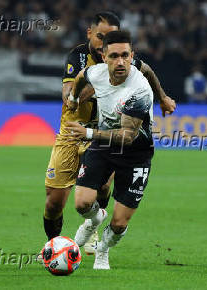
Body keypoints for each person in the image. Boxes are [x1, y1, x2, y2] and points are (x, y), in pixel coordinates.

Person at [42, 12, 176, 255]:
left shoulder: (123, 63)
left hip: (104, 133)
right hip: (73, 131)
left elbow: (147, 70)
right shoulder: (80, 57)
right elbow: (69, 93)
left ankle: (92, 229)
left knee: (102, 186)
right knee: (54, 201)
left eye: (109, 37)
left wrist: (163, 97)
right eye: (100, 37)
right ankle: (53, 246)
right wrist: (98, 87)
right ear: (90, 34)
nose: (103, 41)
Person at [66, 30, 155, 270]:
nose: (120, 62)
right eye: (114, 56)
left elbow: (127, 137)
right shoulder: (96, 72)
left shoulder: (140, 90)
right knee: (82, 204)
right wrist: (74, 97)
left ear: (132, 55)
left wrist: (88, 133)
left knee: (119, 223)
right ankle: (95, 219)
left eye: (125, 55)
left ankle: (102, 250)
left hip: (136, 154)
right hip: (104, 146)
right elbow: (82, 75)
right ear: (104, 57)